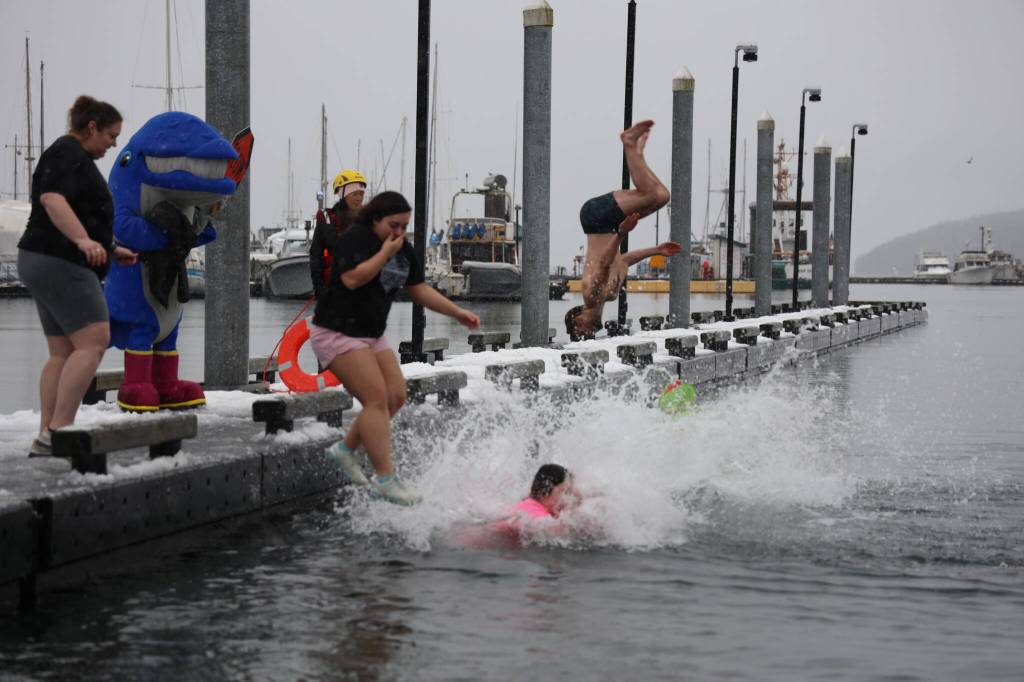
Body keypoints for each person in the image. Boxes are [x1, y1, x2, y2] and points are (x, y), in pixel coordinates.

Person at [310, 190, 480, 505]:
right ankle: (386, 477)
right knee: (375, 398)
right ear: (375, 219)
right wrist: (384, 254)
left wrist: (457, 313)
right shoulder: (355, 240)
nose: (399, 232)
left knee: (396, 395)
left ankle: (345, 449)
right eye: (393, 225)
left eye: (404, 226)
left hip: (370, 335)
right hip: (335, 331)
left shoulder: (404, 250)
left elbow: (419, 290)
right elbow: (352, 280)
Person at [16, 95, 137, 456]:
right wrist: (84, 241)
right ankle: (59, 432)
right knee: (95, 342)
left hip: (39, 258)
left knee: (63, 352)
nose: (114, 144)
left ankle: (46, 435)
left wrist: (109, 247)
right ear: (91, 127)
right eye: (111, 135)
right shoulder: (69, 153)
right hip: (61, 261)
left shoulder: (69, 155)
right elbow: (53, 200)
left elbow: (77, 209)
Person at [564, 120, 681, 341]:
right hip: (607, 224)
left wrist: (621, 233)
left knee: (648, 195)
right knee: (662, 196)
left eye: (581, 332)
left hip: (596, 219)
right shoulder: (608, 296)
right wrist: (657, 250)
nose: (588, 334)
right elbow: (624, 260)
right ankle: (637, 153)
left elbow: (604, 263)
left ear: (578, 319)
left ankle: (628, 143)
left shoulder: (592, 295)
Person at [310, 169, 366, 300]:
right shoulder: (326, 219)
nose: (359, 198)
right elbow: (315, 257)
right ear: (343, 195)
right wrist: (320, 289)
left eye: (361, 194)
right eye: (354, 194)